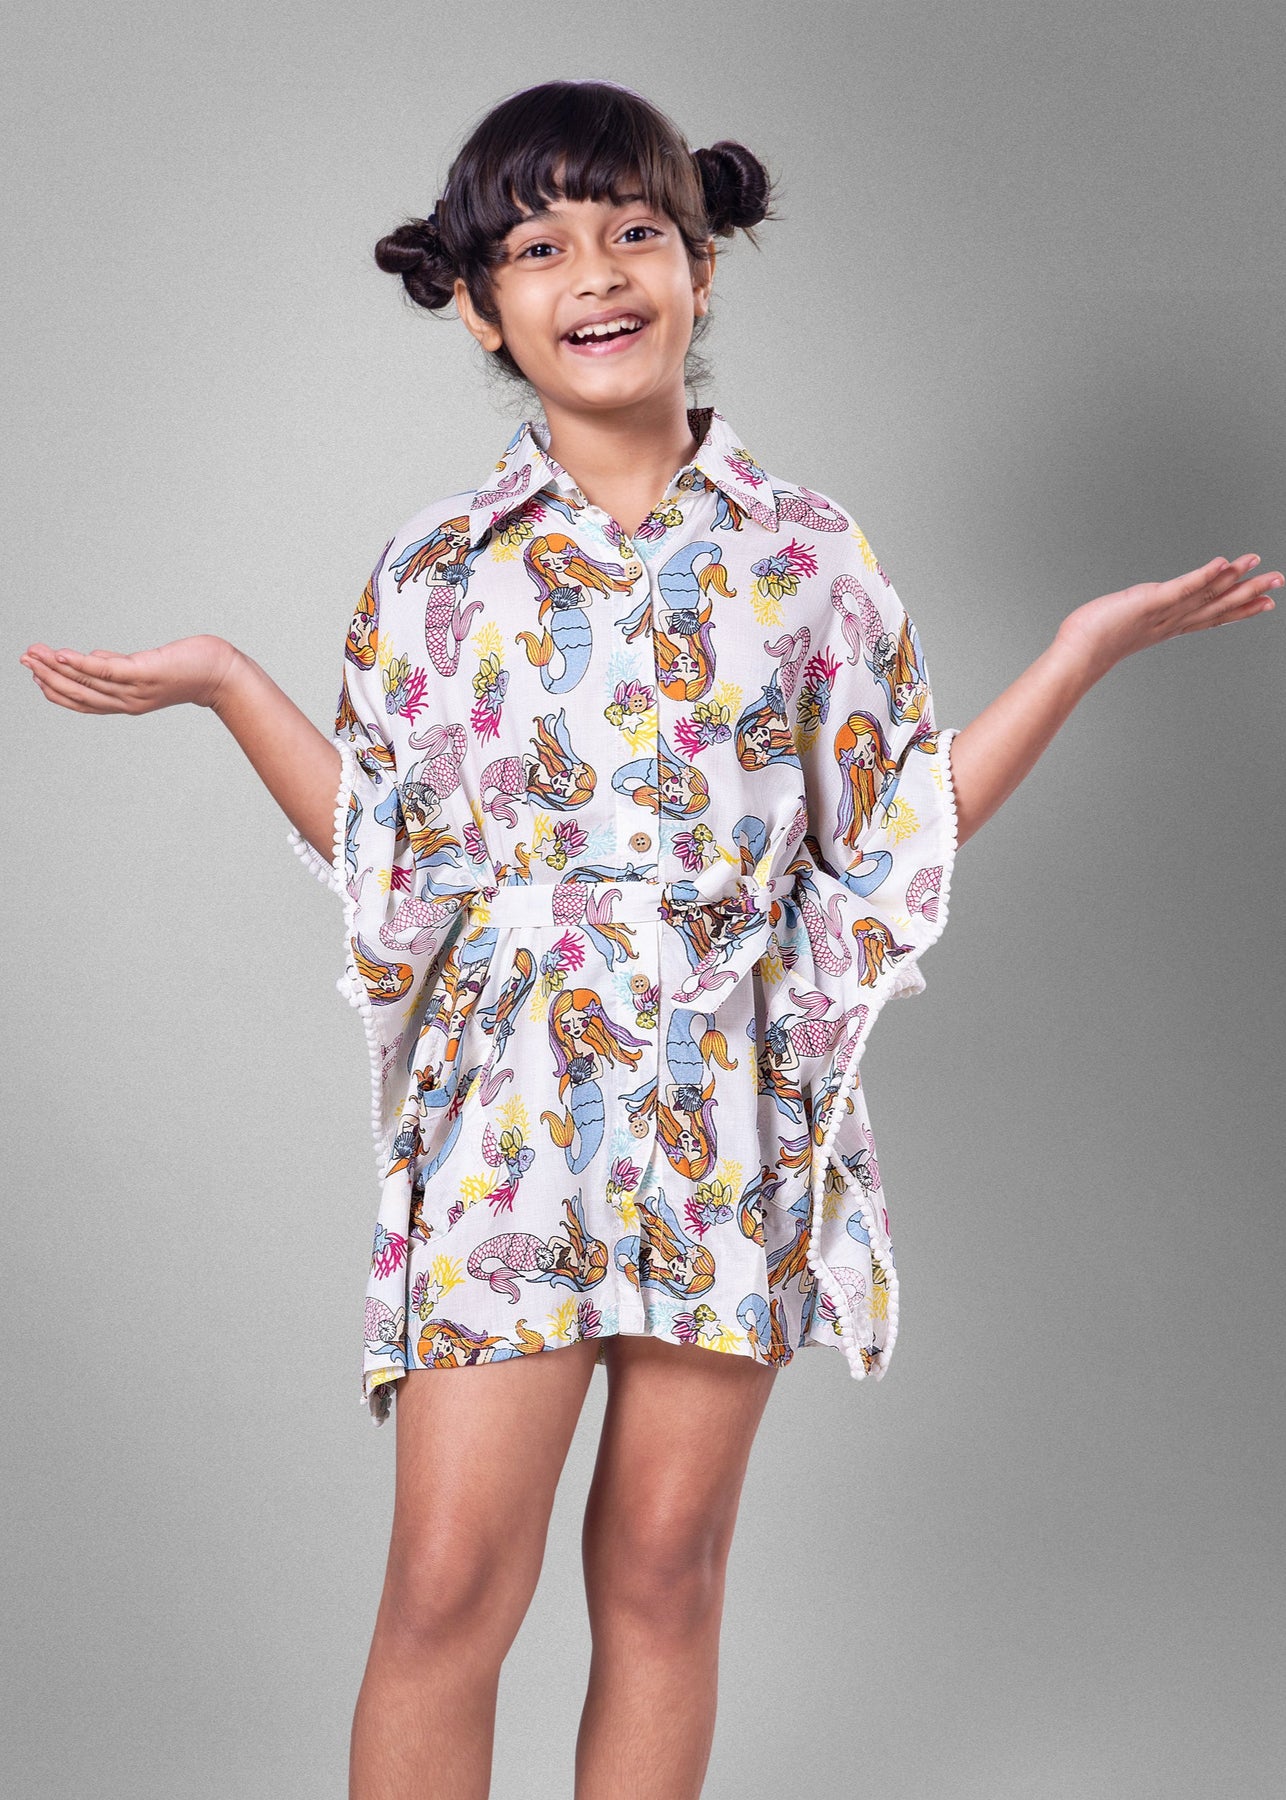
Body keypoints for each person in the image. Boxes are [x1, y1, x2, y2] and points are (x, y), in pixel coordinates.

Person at [18, 77, 1278, 1800]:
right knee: (447, 1587)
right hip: (508, 1125)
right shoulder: (435, 573)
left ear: (699, 267)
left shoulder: (808, 559)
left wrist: (1073, 657)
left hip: (728, 1120)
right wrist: (233, 685)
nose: (594, 272)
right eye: (539, 247)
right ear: (481, 306)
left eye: (632, 232)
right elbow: (394, 866)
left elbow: (887, 840)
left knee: (665, 1577)